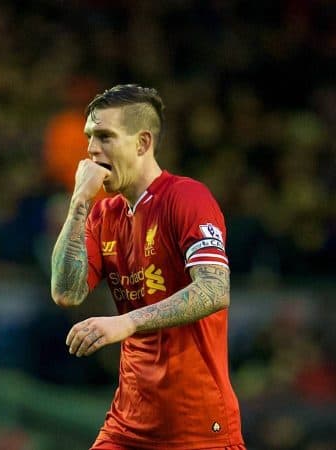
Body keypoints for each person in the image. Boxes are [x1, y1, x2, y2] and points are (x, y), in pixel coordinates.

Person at [50, 84, 245, 450]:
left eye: (105, 137)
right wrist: (78, 204)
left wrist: (128, 321)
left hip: (199, 427)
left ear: (142, 143)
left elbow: (214, 290)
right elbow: (66, 291)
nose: (92, 149)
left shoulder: (187, 198)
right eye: (90, 137)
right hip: (128, 425)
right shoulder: (102, 214)